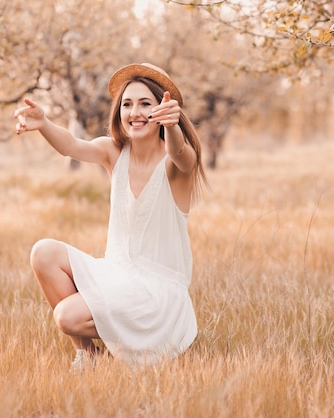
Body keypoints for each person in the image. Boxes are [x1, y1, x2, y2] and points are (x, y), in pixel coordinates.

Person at [14, 63, 207, 370]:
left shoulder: (176, 165)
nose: (135, 112)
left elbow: (181, 155)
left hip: (158, 295)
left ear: (163, 109)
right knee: (44, 252)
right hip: (117, 274)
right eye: (127, 104)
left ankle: (149, 343)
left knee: (66, 316)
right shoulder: (113, 152)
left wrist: (172, 128)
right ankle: (88, 355)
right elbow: (71, 146)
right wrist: (45, 123)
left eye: (146, 104)